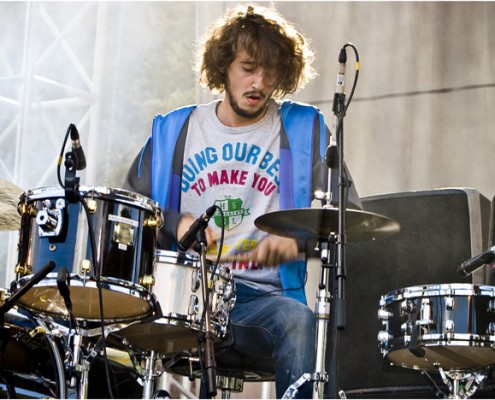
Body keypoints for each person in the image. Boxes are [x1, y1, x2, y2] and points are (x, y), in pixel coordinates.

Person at [124, 4, 361, 398]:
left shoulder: (307, 130)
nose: (259, 82)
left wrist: (300, 239)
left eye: (270, 72)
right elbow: (129, 212)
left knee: (299, 321)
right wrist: (175, 224)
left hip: (259, 303)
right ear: (223, 67)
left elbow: (347, 211)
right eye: (248, 67)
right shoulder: (173, 130)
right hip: (180, 297)